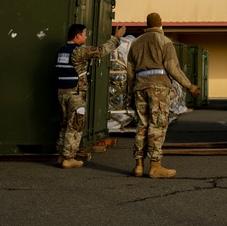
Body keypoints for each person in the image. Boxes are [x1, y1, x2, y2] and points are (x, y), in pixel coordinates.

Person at [126, 12, 201, 178]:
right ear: (161, 25)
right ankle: (155, 166)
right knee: (157, 126)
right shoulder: (165, 41)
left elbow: (130, 70)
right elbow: (173, 68)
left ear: (147, 25)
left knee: (142, 125)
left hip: (140, 87)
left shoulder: (136, 43)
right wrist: (189, 85)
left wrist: (131, 91)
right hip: (158, 88)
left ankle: (138, 165)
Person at [56, 22, 126, 169]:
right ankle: (69, 158)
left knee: (64, 125)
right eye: (84, 34)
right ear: (77, 36)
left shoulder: (62, 51)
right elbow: (101, 51)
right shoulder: (78, 51)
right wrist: (116, 38)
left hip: (62, 93)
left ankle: (61, 155)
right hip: (76, 94)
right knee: (75, 125)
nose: (86, 37)